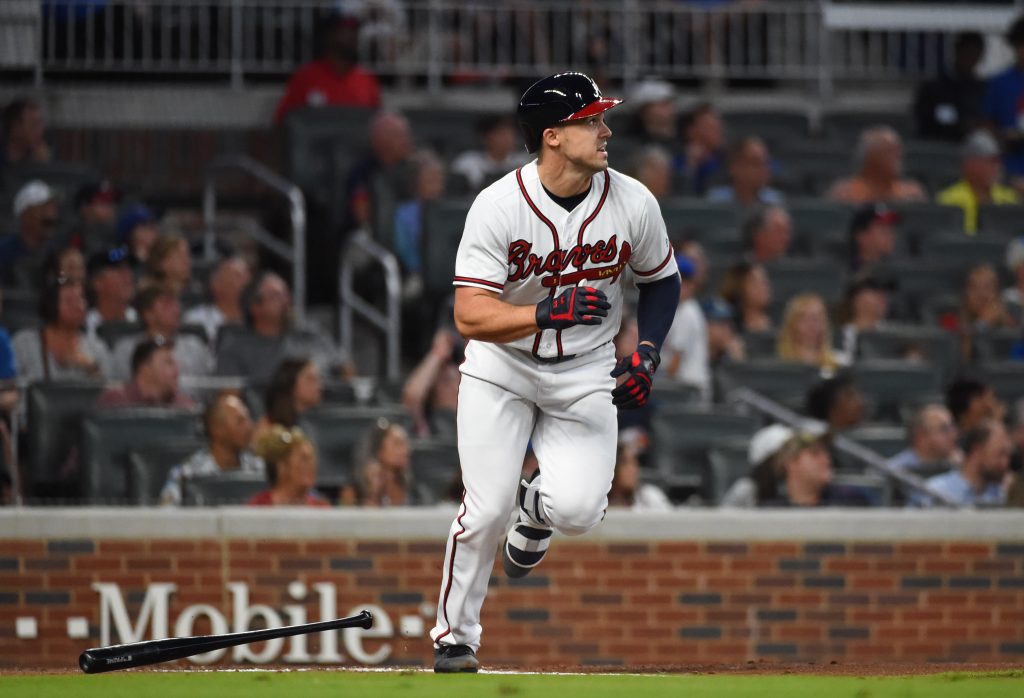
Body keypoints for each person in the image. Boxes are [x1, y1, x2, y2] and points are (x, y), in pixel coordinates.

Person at [430, 72, 680, 673]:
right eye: (591, 120)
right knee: (484, 510)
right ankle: (456, 638)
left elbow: (662, 280)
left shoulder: (633, 200)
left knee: (578, 512)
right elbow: (468, 314)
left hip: (586, 368)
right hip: (502, 367)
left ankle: (536, 508)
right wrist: (540, 312)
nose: (605, 130)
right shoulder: (497, 205)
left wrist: (646, 350)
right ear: (552, 136)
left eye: (601, 117)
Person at [215, 272, 350, 386]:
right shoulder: (235, 348)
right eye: (276, 296)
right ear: (255, 307)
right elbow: (228, 395)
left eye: (286, 294)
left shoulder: (311, 335)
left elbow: (346, 368)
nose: (286, 301)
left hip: (322, 411)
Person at [273, 12, 381, 124]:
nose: (353, 36)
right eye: (345, 30)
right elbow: (282, 121)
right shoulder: (306, 78)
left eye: (355, 31)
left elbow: (378, 126)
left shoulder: (367, 80)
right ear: (328, 36)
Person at [160, 393, 264, 506]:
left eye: (248, 420)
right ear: (217, 430)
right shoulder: (186, 475)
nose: (250, 427)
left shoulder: (259, 469)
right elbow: (166, 517)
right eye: (240, 422)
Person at [12, 276, 111, 382]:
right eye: (69, 301)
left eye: (81, 299)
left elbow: (110, 391)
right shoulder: (24, 343)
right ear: (51, 305)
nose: (78, 306)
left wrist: (92, 368)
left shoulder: (96, 348)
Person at [110, 285, 213, 383]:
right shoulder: (126, 349)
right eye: (167, 305)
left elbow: (208, 389)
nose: (176, 310)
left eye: (176, 304)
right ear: (148, 314)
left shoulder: (195, 346)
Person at [721, 422, 826, 508]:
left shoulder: (788, 486)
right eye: (783, 452)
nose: (787, 458)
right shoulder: (746, 488)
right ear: (768, 460)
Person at [911, 420, 1012, 507]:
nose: (1005, 463)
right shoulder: (934, 492)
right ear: (977, 451)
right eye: (1000, 455)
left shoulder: (1002, 494)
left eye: (1007, 456)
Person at [760, 429, 872, 507]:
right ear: (791, 462)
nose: (827, 460)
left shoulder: (851, 502)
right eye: (815, 453)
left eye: (827, 453)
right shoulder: (772, 513)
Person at [937, 131, 1020, 234]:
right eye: (991, 161)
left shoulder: (1009, 198)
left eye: (998, 161)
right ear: (970, 164)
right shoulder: (948, 200)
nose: (997, 167)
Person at [913, 31, 987, 142]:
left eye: (975, 54)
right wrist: (960, 123)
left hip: (974, 147)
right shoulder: (935, 87)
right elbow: (930, 116)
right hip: (938, 146)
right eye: (967, 52)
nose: (970, 59)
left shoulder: (982, 88)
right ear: (958, 51)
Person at [827, 126, 927, 204]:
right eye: (889, 151)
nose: (897, 158)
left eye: (898, 152)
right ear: (869, 157)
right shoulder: (844, 193)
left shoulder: (912, 194)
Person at [940, 264, 1016, 362]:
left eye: (988, 287)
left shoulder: (1013, 320)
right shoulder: (950, 320)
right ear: (965, 292)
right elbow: (958, 364)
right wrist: (982, 324)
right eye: (974, 287)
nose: (981, 294)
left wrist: (1006, 321)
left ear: (997, 293)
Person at [97, 336, 194, 410]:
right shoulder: (115, 401)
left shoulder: (183, 407)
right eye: (169, 363)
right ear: (145, 368)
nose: (177, 370)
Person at [985, 15, 1024, 189]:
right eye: (1021, 44)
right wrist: (1003, 135)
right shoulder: (999, 82)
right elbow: (987, 123)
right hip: (1008, 166)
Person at [663, 255, 710, 401]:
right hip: (683, 388)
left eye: (685, 283)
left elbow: (675, 363)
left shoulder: (687, 312)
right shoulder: (677, 310)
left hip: (689, 390)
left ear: (692, 286)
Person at [402, 328, 463, 438]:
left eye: (458, 381)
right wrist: (438, 353)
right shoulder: (426, 424)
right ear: (432, 390)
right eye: (446, 381)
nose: (455, 388)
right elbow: (412, 397)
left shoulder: (473, 417)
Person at [248, 425, 330, 507]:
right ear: (281, 466)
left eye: (312, 458)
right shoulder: (259, 506)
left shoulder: (320, 507)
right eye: (304, 459)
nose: (311, 465)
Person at [0, 180, 59, 289]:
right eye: (43, 209)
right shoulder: (3, 251)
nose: (50, 216)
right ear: (24, 215)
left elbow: (62, 282)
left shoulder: (57, 252)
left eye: (52, 208)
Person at [341, 418, 413, 506]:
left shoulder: (410, 488)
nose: (406, 450)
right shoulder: (352, 491)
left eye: (405, 444)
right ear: (379, 450)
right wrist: (372, 494)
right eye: (397, 444)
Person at [182, 256, 251, 346]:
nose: (247, 282)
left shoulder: (259, 321)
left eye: (248, 276)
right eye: (238, 276)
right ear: (216, 285)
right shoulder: (195, 321)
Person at [450, 115, 529, 192]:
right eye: (501, 133)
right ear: (485, 137)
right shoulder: (467, 162)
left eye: (511, 133)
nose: (508, 138)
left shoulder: (524, 162)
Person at [253, 357, 323, 443]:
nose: (318, 386)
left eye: (317, 379)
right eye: (310, 379)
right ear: (290, 384)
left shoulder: (311, 425)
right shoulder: (268, 427)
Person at [707, 137, 784, 207]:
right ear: (734, 167)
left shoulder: (776, 203)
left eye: (766, 163)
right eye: (755, 163)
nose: (764, 169)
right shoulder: (715, 201)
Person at [777, 293, 843, 372]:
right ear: (792, 324)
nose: (811, 325)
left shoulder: (840, 363)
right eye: (804, 319)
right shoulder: (777, 364)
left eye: (817, 319)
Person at [836, 271, 894, 359]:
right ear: (856, 300)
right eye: (875, 291)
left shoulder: (894, 336)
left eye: (884, 292)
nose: (882, 296)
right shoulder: (841, 337)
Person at [84, 246, 137, 342]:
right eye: (119, 271)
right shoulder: (84, 327)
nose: (128, 276)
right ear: (97, 282)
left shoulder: (143, 321)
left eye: (129, 269)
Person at [888, 404, 960, 472]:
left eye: (953, 428)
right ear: (921, 436)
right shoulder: (894, 471)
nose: (953, 435)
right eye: (944, 429)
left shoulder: (960, 466)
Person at [606, 441, 672, 511]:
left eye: (634, 463)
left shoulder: (651, 497)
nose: (633, 470)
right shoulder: (598, 505)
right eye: (625, 463)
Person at [681, 102, 725, 196]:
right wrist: (691, 167)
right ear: (691, 131)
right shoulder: (678, 162)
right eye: (709, 126)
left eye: (717, 124)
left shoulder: (726, 160)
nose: (717, 130)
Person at [719, 260, 772, 333]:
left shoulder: (781, 325)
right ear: (739, 287)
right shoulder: (727, 330)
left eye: (764, 281)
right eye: (754, 282)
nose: (763, 287)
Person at [68, 179, 118, 252]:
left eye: (111, 202)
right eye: (103, 203)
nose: (110, 208)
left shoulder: (118, 236)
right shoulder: (74, 239)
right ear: (85, 209)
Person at [848, 202, 899, 272]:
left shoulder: (896, 270)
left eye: (891, 229)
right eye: (883, 230)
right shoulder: (841, 272)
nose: (890, 235)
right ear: (861, 236)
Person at [1, 98, 51, 167]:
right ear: (16, 127)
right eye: (34, 125)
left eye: (41, 124)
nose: (41, 130)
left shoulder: (39, 155)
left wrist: (44, 164)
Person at [701, 297, 745, 367]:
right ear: (704, 325)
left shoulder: (730, 355)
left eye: (729, 323)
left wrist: (738, 361)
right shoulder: (693, 355)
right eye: (721, 323)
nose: (727, 329)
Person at [116, 204, 160, 268]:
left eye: (152, 226)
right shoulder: (119, 254)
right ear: (131, 233)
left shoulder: (158, 256)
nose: (152, 232)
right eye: (145, 227)